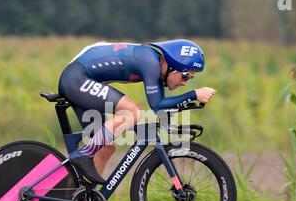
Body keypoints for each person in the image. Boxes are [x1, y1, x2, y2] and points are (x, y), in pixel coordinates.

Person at [58, 39, 216, 188]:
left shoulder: (155, 66)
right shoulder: (150, 62)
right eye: (186, 76)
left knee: (106, 147)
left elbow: (161, 109)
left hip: (80, 80)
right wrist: (193, 94)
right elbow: (157, 105)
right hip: (75, 79)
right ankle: (83, 154)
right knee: (132, 112)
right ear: (172, 66)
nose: (184, 82)